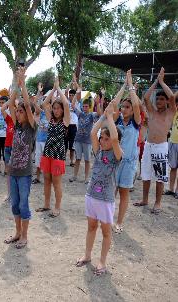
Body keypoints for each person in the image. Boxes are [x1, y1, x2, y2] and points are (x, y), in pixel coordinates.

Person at [76, 103, 123, 276]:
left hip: (105, 199)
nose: (102, 141)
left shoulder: (117, 155)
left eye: (106, 139)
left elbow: (116, 140)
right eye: (102, 138)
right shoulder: (99, 151)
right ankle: (87, 255)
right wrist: (104, 116)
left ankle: (102, 261)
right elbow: (91, 133)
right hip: (91, 195)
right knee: (91, 227)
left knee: (105, 231)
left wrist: (110, 118)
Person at [134, 67, 176, 214]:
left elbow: (172, 97)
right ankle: (145, 199)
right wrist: (156, 82)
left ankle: (157, 203)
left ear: (166, 102)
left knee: (160, 176)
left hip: (161, 147)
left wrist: (162, 82)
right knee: (145, 173)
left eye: (161, 99)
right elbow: (146, 98)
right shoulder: (151, 111)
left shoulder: (170, 112)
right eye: (157, 98)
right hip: (148, 146)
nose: (159, 101)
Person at [3, 66, 37, 249]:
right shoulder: (16, 125)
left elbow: (28, 109)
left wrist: (23, 84)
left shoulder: (31, 127)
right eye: (18, 112)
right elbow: (10, 104)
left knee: (24, 204)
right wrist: (16, 83)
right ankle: (17, 233)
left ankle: (24, 236)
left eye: (21, 111)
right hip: (13, 171)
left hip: (24, 174)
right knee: (15, 204)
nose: (18, 113)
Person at [111, 70, 141, 233]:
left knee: (123, 192)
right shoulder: (118, 120)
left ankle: (119, 222)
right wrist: (124, 85)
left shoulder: (136, 123)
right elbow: (114, 104)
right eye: (123, 106)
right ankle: (108, 217)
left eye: (127, 107)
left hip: (129, 163)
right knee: (112, 190)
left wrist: (131, 86)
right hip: (116, 161)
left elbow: (136, 105)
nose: (124, 109)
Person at [38, 77, 70, 217]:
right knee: (46, 180)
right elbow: (44, 103)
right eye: (55, 108)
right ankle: (46, 205)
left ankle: (57, 207)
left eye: (58, 108)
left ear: (62, 110)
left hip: (58, 155)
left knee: (56, 182)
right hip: (47, 153)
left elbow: (67, 105)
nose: (56, 110)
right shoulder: (50, 118)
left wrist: (59, 90)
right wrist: (54, 89)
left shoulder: (65, 121)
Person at [69, 80, 100, 184]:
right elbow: (72, 105)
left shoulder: (91, 115)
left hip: (87, 141)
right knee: (77, 159)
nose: (85, 108)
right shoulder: (80, 114)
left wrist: (97, 103)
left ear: (89, 107)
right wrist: (77, 92)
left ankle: (86, 178)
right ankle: (75, 176)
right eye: (84, 106)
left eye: (87, 106)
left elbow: (100, 113)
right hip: (78, 139)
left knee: (87, 160)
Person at [32, 82, 49, 184]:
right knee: (38, 160)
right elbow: (34, 103)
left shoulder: (52, 117)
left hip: (47, 141)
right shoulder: (42, 113)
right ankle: (38, 178)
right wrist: (39, 91)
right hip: (39, 140)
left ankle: (47, 179)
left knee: (46, 160)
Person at [1, 95, 15, 202]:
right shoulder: (9, 120)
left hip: (15, 149)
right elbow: (2, 108)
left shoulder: (20, 122)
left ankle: (14, 194)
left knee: (15, 172)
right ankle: (9, 193)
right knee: (9, 172)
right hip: (7, 147)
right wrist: (11, 99)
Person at [65, 76, 79, 166]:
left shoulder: (77, 102)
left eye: (72, 95)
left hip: (74, 126)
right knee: (65, 144)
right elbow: (66, 91)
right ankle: (63, 159)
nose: (70, 96)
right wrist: (71, 82)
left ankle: (71, 161)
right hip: (66, 125)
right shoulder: (66, 101)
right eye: (70, 95)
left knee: (72, 146)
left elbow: (79, 90)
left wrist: (75, 81)